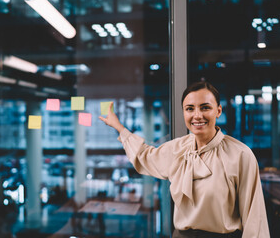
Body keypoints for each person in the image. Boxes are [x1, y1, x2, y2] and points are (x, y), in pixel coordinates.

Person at [99, 81, 270, 238]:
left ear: (218, 110)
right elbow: (145, 156)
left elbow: (255, 217)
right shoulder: (177, 149)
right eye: (190, 109)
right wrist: (119, 128)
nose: (197, 115)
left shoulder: (240, 154)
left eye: (205, 108)